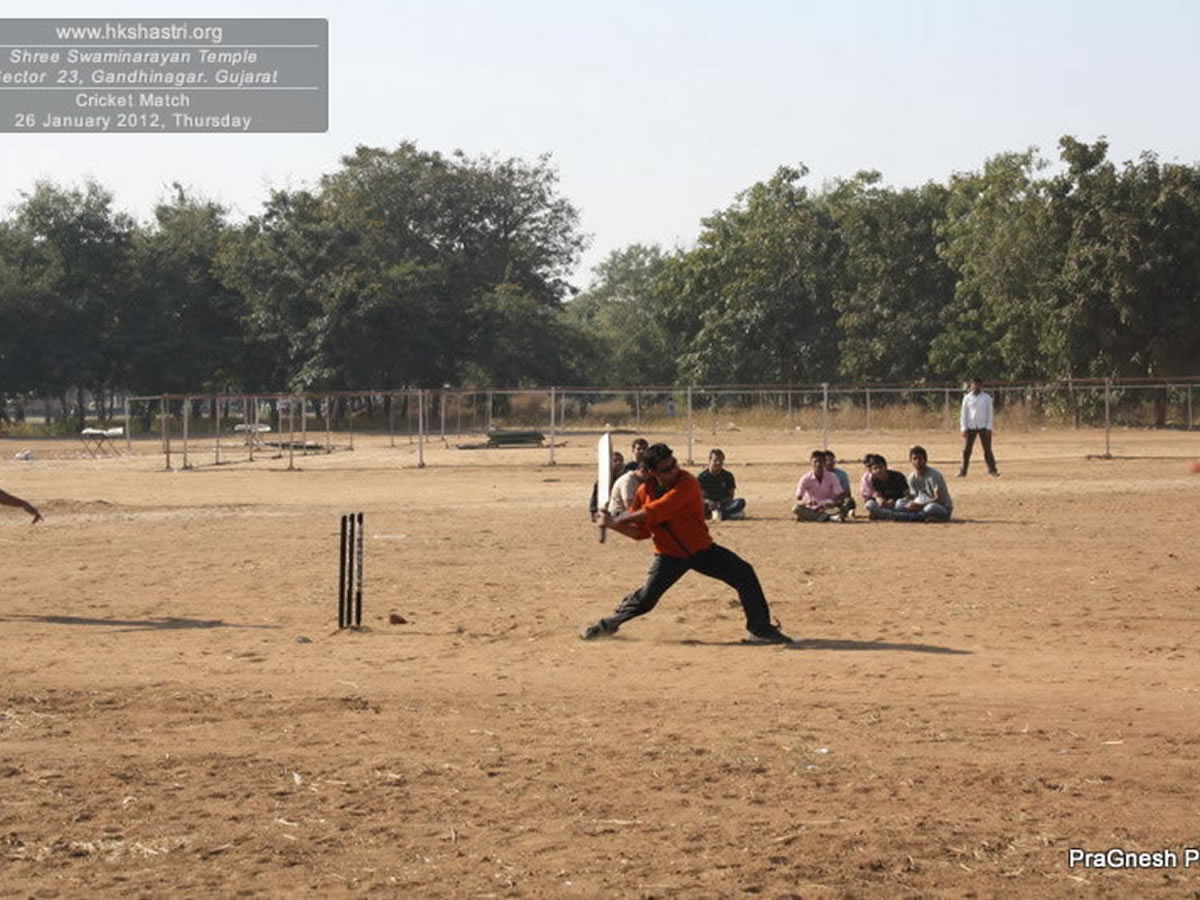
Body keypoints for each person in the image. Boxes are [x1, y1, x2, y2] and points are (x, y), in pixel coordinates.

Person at [583, 443, 792, 644]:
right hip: (669, 555)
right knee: (646, 599)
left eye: (674, 463)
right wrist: (612, 526)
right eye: (667, 469)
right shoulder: (643, 493)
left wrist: (616, 520)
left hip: (702, 550)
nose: (674, 470)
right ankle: (606, 626)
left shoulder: (687, 483)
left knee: (744, 573)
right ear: (651, 472)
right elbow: (641, 534)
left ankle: (760, 629)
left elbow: (657, 510)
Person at [794, 450, 852, 522]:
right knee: (796, 508)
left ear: (824, 463)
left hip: (829, 507)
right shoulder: (805, 478)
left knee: (847, 503)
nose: (818, 464)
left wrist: (833, 503)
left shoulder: (832, 477)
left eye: (820, 462)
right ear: (811, 463)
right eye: (815, 462)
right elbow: (799, 497)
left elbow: (839, 494)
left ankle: (816, 517)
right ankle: (828, 518)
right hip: (812, 507)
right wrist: (808, 502)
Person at [959, 378, 1000, 477]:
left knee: (987, 450)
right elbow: (964, 414)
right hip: (971, 426)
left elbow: (990, 413)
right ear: (971, 385)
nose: (976, 387)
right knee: (967, 451)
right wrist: (963, 428)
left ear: (981, 386)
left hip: (983, 427)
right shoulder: (967, 398)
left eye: (978, 385)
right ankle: (963, 471)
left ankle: (992, 470)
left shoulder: (986, 398)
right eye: (974, 385)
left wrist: (989, 427)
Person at [863, 454, 922, 521]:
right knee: (870, 504)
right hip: (886, 506)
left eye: (880, 467)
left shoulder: (897, 476)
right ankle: (896, 516)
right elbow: (878, 496)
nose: (878, 470)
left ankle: (886, 515)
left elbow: (907, 495)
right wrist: (883, 502)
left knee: (900, 504)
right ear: (871, 471)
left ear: (885, 467)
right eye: (875, 468)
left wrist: (894, 502)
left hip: (899, 504)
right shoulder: (874, 480)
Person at [904, 445, 953, 522]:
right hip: (922, 505)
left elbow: (939, 499)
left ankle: (914, 517)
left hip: (941, 507)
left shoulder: (934, 475)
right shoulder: (911, 477)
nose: (917, 462)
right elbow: (916, 496)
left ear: (925, 460)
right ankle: (922, 517)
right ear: (910, 461)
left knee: (930, 508)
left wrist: (920, 506)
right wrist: (909, 498)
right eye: (914, 459)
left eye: (920, 459)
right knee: (900, 503)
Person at [697, 448, 746, 520]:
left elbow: (731, 496)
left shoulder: (728, 476)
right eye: (715, 460)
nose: (718, 463)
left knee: (741, 502)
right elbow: (699, 496)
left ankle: (718, 514)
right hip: (708, 505)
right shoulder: (702, 477)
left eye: (721, 461)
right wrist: (709, 502)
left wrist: (719, 503)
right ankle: (726, 515)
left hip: (723, 504)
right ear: (710, 460)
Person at [588, 450, 625, 518]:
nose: (618, 463)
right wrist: (593, 511)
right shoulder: (604, 480)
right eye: (615, 461)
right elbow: (595, 496)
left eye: (620, 460)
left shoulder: (626, 478)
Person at [823, 450, 855, 518]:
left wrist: (836, 502)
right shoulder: (819, 475)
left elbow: (847, 493)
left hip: (838, 502)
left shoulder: (842, 474)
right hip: (823, 503)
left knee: (849, 501)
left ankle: (837, 513)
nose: (829, 463)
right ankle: (836, 514)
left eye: (832, 460)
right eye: (827, 460)